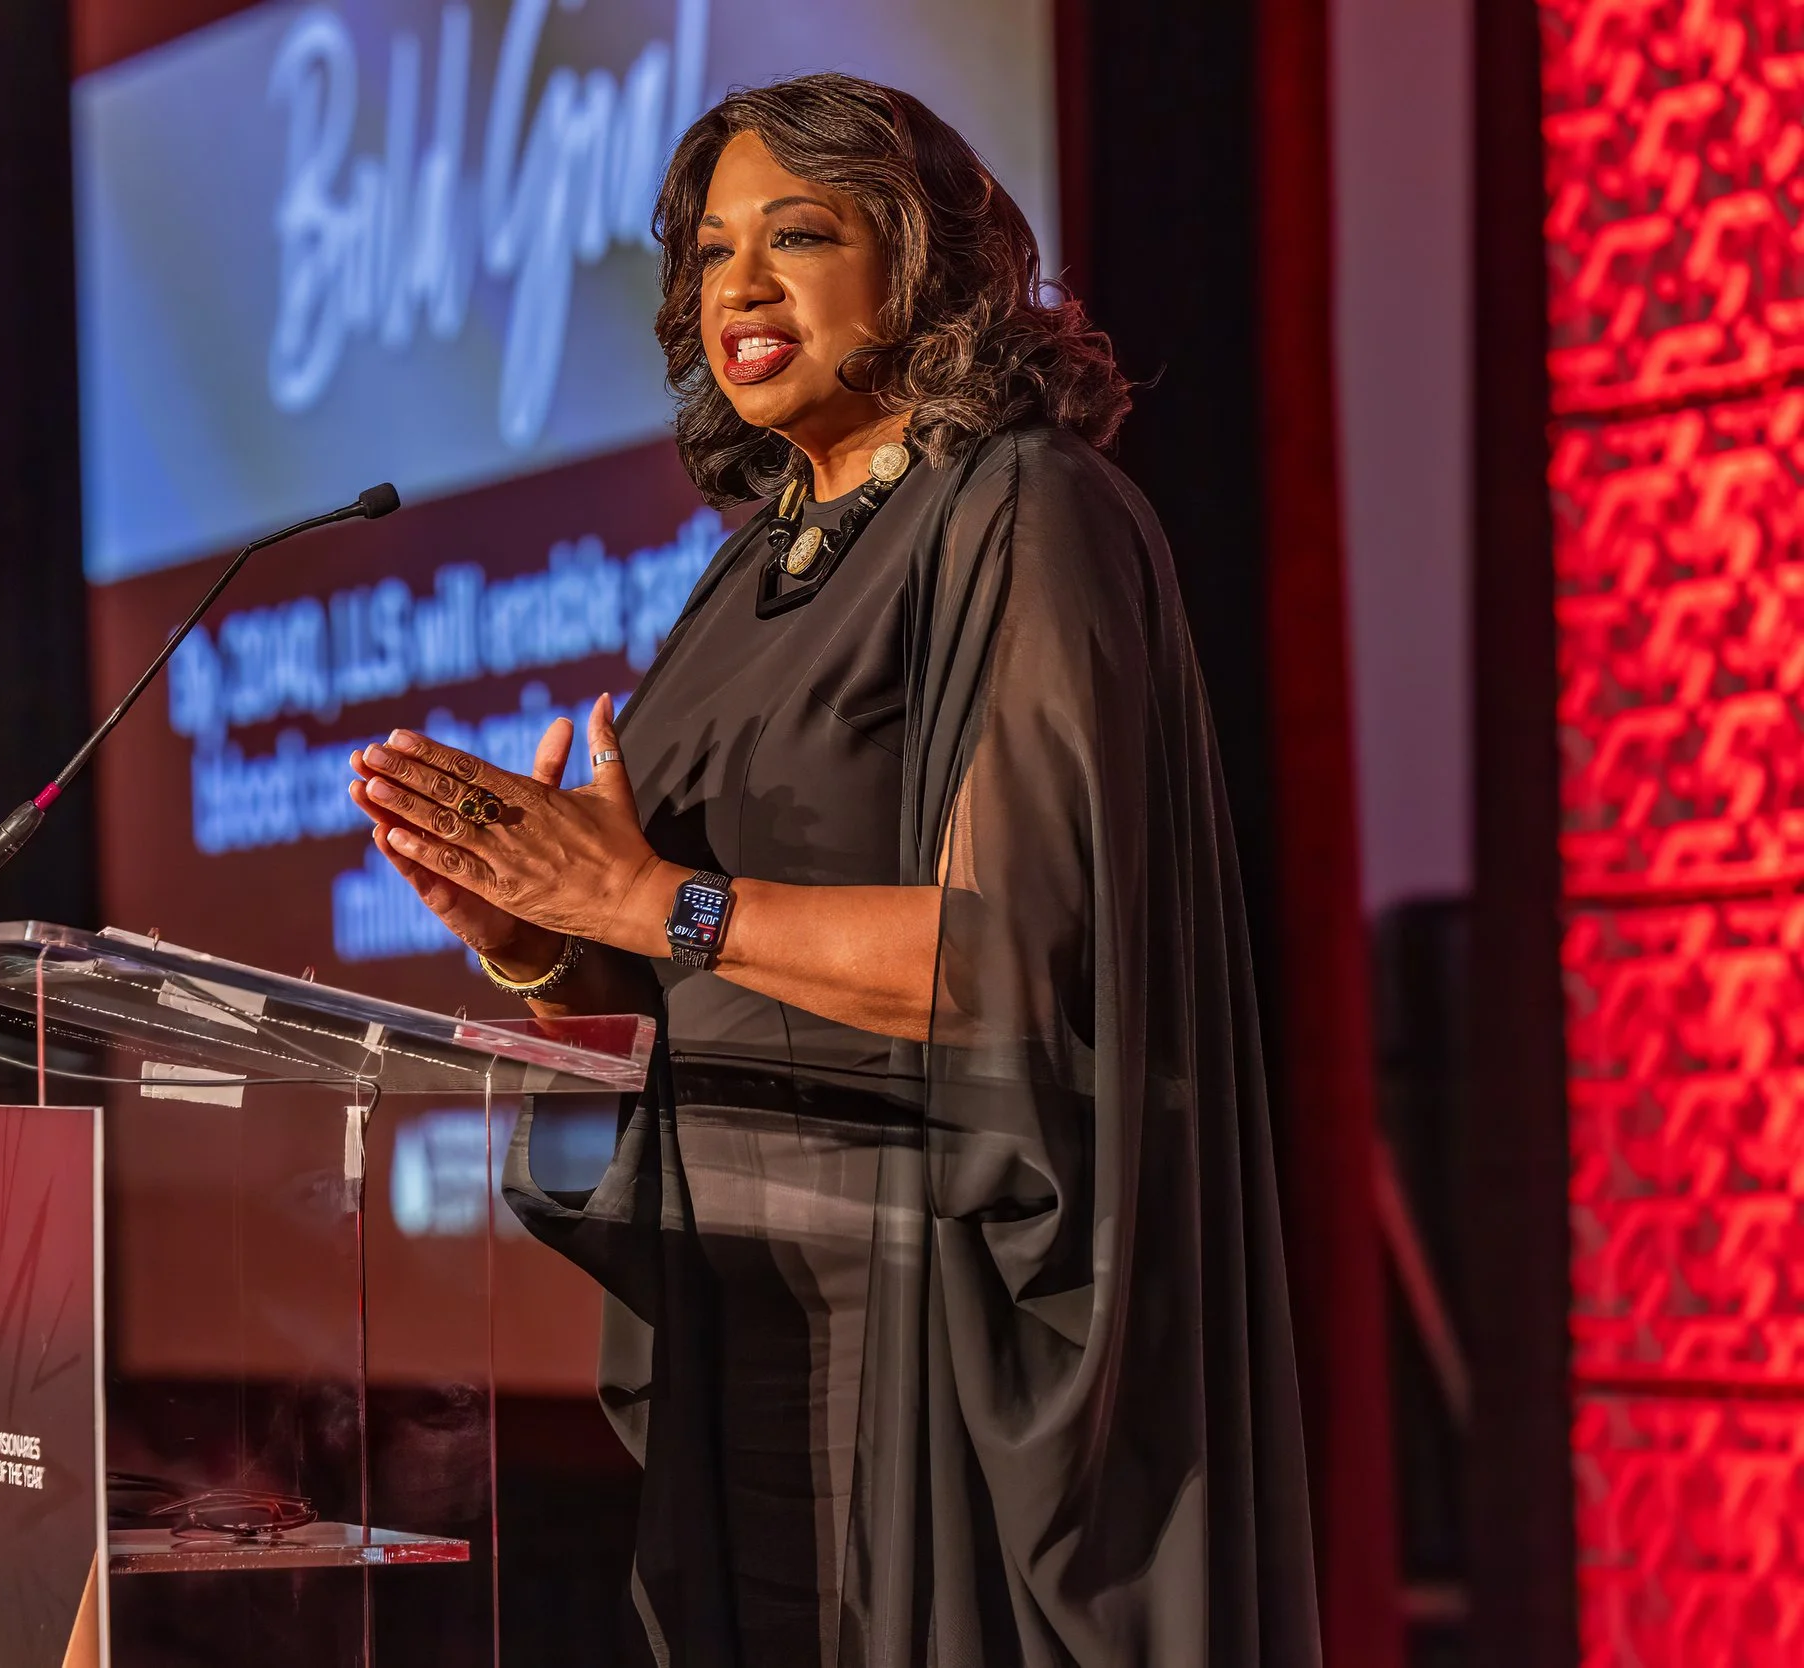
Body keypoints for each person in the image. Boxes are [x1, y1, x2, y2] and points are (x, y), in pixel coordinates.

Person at [349, 73, 1318, 1668]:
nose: (737, 285)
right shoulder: (746, 573)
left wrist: (642, 900)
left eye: (797, 234)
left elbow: (1018, 954)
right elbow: (676, 968)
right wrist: (534, 942)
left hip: (943, 1329)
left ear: (923, 264)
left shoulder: (1028, 512)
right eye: (711, 251)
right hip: (751, 1314)